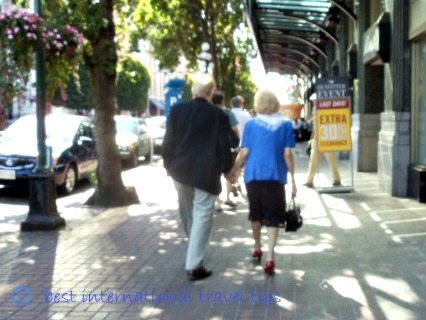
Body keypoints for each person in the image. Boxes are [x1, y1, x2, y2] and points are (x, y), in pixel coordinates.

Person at [161, 74, 235, 281]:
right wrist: (229, 170)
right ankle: (194, 264)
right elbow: (224, 147)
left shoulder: (177, 111)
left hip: (180, 171)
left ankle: (194, 251)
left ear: (193, 91)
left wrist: (168, 166)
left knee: (186, 212)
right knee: (202, 216)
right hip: (206, 173)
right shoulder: (219, 115)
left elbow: (168, 142)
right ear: (212, 93)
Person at [229, 89, 297, 275]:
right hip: (275, 177)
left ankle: (257, 246)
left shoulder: (251, 125)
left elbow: (244, 152)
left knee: (256, 213)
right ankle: (271, 256)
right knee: (274, 216)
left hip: (254, 175)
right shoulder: (286, 125)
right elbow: (288, 154)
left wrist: (234, 171)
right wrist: (293, 178)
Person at [212, 91, 240, 210]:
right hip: (225, 147)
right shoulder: (228, 112)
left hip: (211, 148)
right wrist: (237, 142)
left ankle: (218, 201)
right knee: (228, 171)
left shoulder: (209, 112)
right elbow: (234, 129)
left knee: (215, 175)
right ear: (223, 101)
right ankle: (228, 197)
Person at [303, 106, 341, 188]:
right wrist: (312, 138)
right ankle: (309, 180)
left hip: (326, 138)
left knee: (331, 159)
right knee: (313, 160)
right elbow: (314, 127)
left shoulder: (325, 108)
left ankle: (337, 179)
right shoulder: (315, 109)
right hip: (317, 139)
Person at [230, 95, 251, 197]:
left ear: (232, 104)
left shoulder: (229, 114)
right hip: (244, 145)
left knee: (231, 166)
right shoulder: (246, 115)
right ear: (241, 104)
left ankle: (233, 183)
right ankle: (236, 182)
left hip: (231, 145)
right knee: (240, 166)